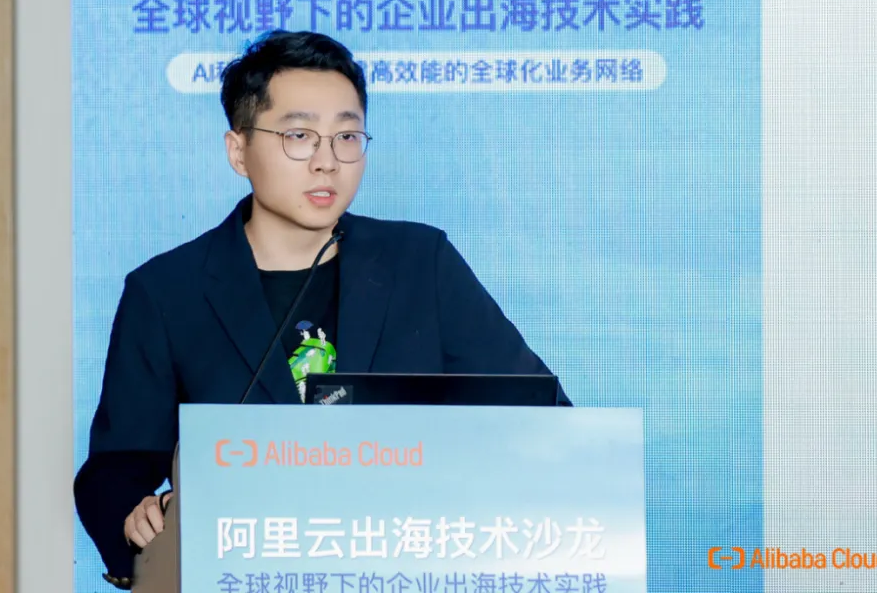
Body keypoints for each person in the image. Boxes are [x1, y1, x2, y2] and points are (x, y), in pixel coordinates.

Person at [73, 30, 572, 590]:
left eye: (347, 136)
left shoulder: (419, 262)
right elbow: (117, 466)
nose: (327, 162)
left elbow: (541, 411)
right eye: (299, 136)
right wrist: (137, 515)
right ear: (238, 151)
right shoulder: (168, 290)